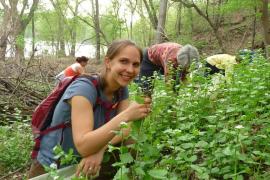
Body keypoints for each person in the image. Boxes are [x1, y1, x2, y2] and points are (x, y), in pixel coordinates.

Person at [28, 39, 152, 178]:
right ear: (108, 62)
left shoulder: (121, 90)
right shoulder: (84, 88)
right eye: (123, 61)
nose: (130, 69)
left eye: (135, 64)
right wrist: (127, 114)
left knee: (131, 142)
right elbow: (83, 145)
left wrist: (100, 149)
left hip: (85, 160)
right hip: (54, 164)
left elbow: (125, 129)